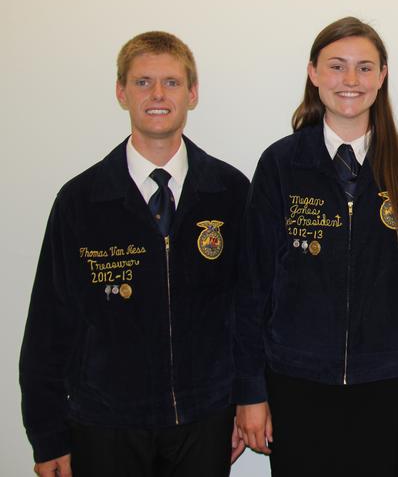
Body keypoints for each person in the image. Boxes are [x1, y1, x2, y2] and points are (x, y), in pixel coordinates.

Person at [20, 31, 250, 477]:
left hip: (204, 420)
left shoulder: (230, 193)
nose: (158, 95)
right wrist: (47, 435)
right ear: (121, 92)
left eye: (172, 82)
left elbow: (249, 310)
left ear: (193, 93)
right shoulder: (81, 201)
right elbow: (49, 325)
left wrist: (245, 400)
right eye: (143, 83)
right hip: (105, 424)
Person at [233, 17, 398, 476]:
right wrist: (250, 391)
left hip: (387, 383)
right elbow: (252, 287)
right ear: (313, 73)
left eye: (365, 68)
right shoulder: (281, 164)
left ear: (383, 75)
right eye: (337, 66)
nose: (351, 81)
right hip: (294, 381)